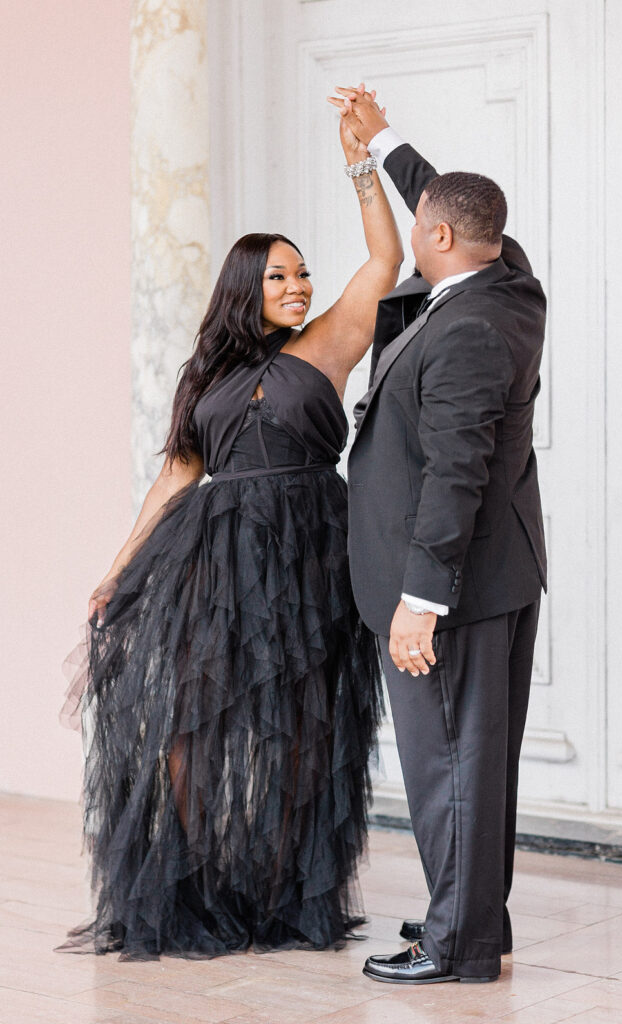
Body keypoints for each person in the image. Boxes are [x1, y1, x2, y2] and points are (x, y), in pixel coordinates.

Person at [57, 112, 402, 960]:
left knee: (297, 729)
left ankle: (281, 892)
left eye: (303, 274)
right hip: (212, 562)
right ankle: (197, 883)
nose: (298, 286)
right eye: (280, 276)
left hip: (307, 552)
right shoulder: (206, 374)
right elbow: (176, 476)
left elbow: (385, 261)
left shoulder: (327, 345)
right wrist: (116, 568)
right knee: (189, 724)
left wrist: (361, 162)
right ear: (245, 285)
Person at [328, 87, 547, 984]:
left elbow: (453, 477)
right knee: (476, 765)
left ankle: (456, 949)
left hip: (451, 589)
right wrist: (383, 141)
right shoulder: (511, 276)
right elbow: (449, 202)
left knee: (448, 768)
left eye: (421, 225)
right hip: (502, 577)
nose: (414, 231)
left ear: (440, 241)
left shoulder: (467, 333)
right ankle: (472, 924)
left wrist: (420, 602)